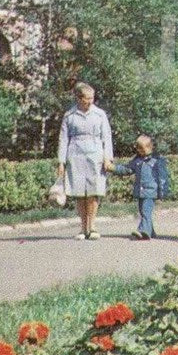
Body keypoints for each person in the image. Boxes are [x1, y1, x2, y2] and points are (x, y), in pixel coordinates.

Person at [57, 82, 114, 240]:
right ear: (78, 98)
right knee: (79, 193)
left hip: (95, 154)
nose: (90, 101)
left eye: (92, 98)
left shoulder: (100, 114)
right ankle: (83, 228)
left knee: (94, 192)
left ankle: (93, 226)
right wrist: (61, 162)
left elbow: (106, 137)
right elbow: (63, 139)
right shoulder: (69, 115)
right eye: (86, 98)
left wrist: (107, 158)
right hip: (75, 155)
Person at [112, 135, 170, 240]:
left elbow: (163, 176)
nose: (141, 152)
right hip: (140, 191)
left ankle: (142, 230)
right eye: (139, 149)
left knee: (145, 211)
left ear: (151, 147)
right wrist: (113, 168)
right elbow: (127, 169)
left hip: (151, 191)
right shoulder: (137, 160)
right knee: (143, 211)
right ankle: (151, 232)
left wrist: (163, 191)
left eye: (144, 149)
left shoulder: (157, 160)